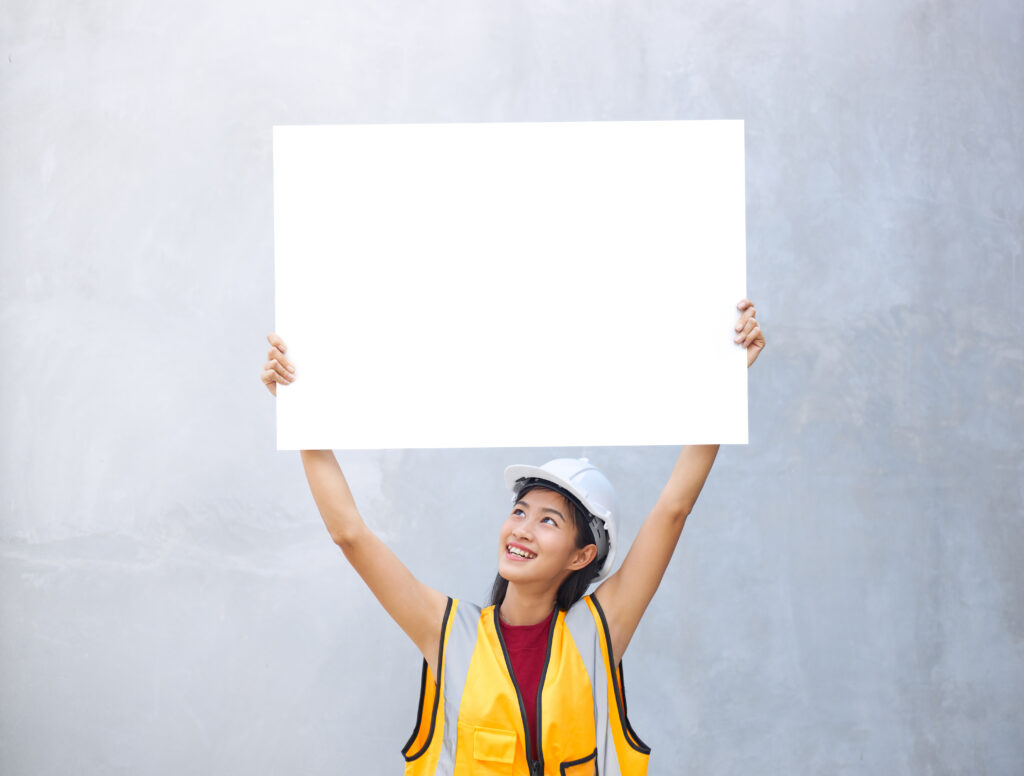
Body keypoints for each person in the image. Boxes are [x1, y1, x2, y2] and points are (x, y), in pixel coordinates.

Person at [261, 300, 765, 775]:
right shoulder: (447, 633)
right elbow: (349, 533)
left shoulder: (598, 633)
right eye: (520, 511)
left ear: (582, 555)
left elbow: (673, 511)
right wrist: (301, 409)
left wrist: (724, 378)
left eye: (548, 521)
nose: (522, 528)